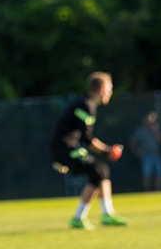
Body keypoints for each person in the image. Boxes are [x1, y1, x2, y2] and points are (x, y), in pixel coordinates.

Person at [49, 72, 129, 229]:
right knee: (98, 170)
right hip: (63, 149)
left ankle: (105, 214)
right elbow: (87, 140)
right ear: (102, 90)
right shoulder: (86, 105)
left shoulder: (86, 104)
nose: (111, 93)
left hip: (67, 148)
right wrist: (108, 150)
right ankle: (84, 217)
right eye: (109, 88)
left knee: (101, 171)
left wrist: (106, 151)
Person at [129, 111, 161, 191]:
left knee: (159, 174)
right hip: (146, 156)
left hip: (157, 155)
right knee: (147, 175)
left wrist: (155, 131)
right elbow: (132, 142)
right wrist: (137, 152)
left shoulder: (157, 129)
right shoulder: (140, 130)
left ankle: (159, 192)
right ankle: (147, 193)